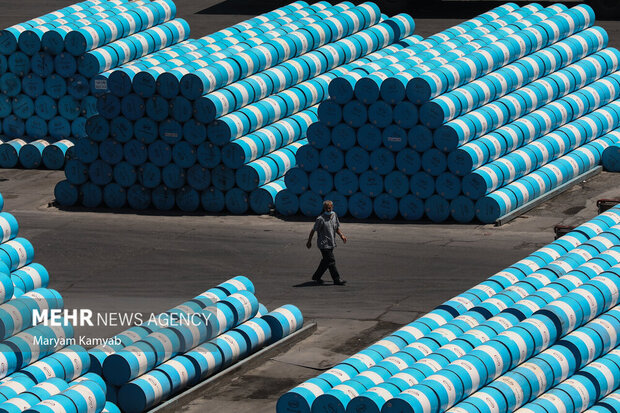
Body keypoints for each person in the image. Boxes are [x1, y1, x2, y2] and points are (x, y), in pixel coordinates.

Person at [306, 200, 347, 285]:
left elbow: (336, 227)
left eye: (330, 208)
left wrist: (341, 235)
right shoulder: (320, 219)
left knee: (326, 261)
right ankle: (337, 279)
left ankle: (316, 276)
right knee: (331, 261)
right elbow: (313, 230)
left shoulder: (334, 215)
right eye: (326, 208)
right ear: (324, 208)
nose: (328, 209)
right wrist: (309, 241)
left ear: (332, 207)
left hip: (331, 242)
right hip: (323, 244)